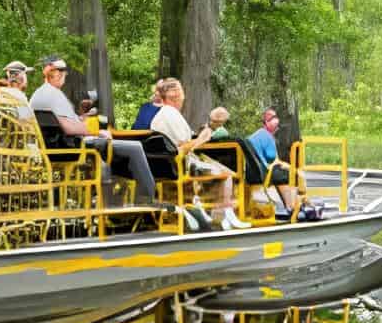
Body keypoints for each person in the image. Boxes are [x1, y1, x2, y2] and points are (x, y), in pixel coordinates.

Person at [30, 55, 157, 202]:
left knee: (116, 152)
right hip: (71, 147)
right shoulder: (53, 94)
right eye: (64, 71)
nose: (65, 75)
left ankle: (114, 200)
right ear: (56, 73)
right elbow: (69, 128)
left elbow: (61, 122)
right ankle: (148, 198)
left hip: (56, 146)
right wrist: (97, 132)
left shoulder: (39, 94)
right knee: (134, 147)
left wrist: (81, 118)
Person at [150, 79, 248, 229]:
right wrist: (204, 136)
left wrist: (209, 127)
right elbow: (183, 146)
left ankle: (218, 213)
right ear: (175, 94)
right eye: (182, 91)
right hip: (180, 164)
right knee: (226, 174)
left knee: (217, 169)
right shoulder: (170, 114)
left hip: (170, 164)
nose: (184, 96)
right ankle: (223, 214)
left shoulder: (162, 115)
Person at [247, 108, 297, 212]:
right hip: (258, 170)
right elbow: (273, 158)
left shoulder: (258, 134)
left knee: (282, 171)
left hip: (250, 169)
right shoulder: (266, 135)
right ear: (266, 122)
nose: (276, 120)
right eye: (273, 117)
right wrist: (289, 167)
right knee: (285, 174)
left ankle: (288, 206)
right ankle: (291, 207)